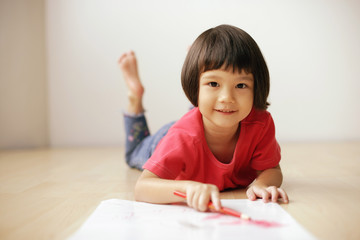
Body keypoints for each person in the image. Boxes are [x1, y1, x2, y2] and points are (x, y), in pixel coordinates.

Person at [118, 24, 289, 212]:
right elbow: (142, 189)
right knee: (134, 153)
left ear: (257, 88)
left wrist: (261, 184)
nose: (227, 97)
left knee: (216, 107)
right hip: (166, 140)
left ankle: (200, 69)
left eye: (241, 85)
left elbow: (272, 170)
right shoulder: (180, 138)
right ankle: (135, 98)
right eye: (214, 83)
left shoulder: (260, 124)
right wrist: (187, 187)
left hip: (206, 119)